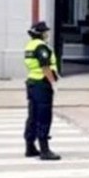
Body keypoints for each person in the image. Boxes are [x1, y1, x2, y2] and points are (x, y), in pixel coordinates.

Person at [23, 21, 60, 161]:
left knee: (33, 116)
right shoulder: (41, 47)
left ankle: (30, 146)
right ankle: (45, 150)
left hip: (32, 83)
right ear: (40, 33)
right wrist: (53, 82)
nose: (47, 34)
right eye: (45, 32)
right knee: (43, 116)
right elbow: (45, 67)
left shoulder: (30, 46)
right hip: (41, 84)